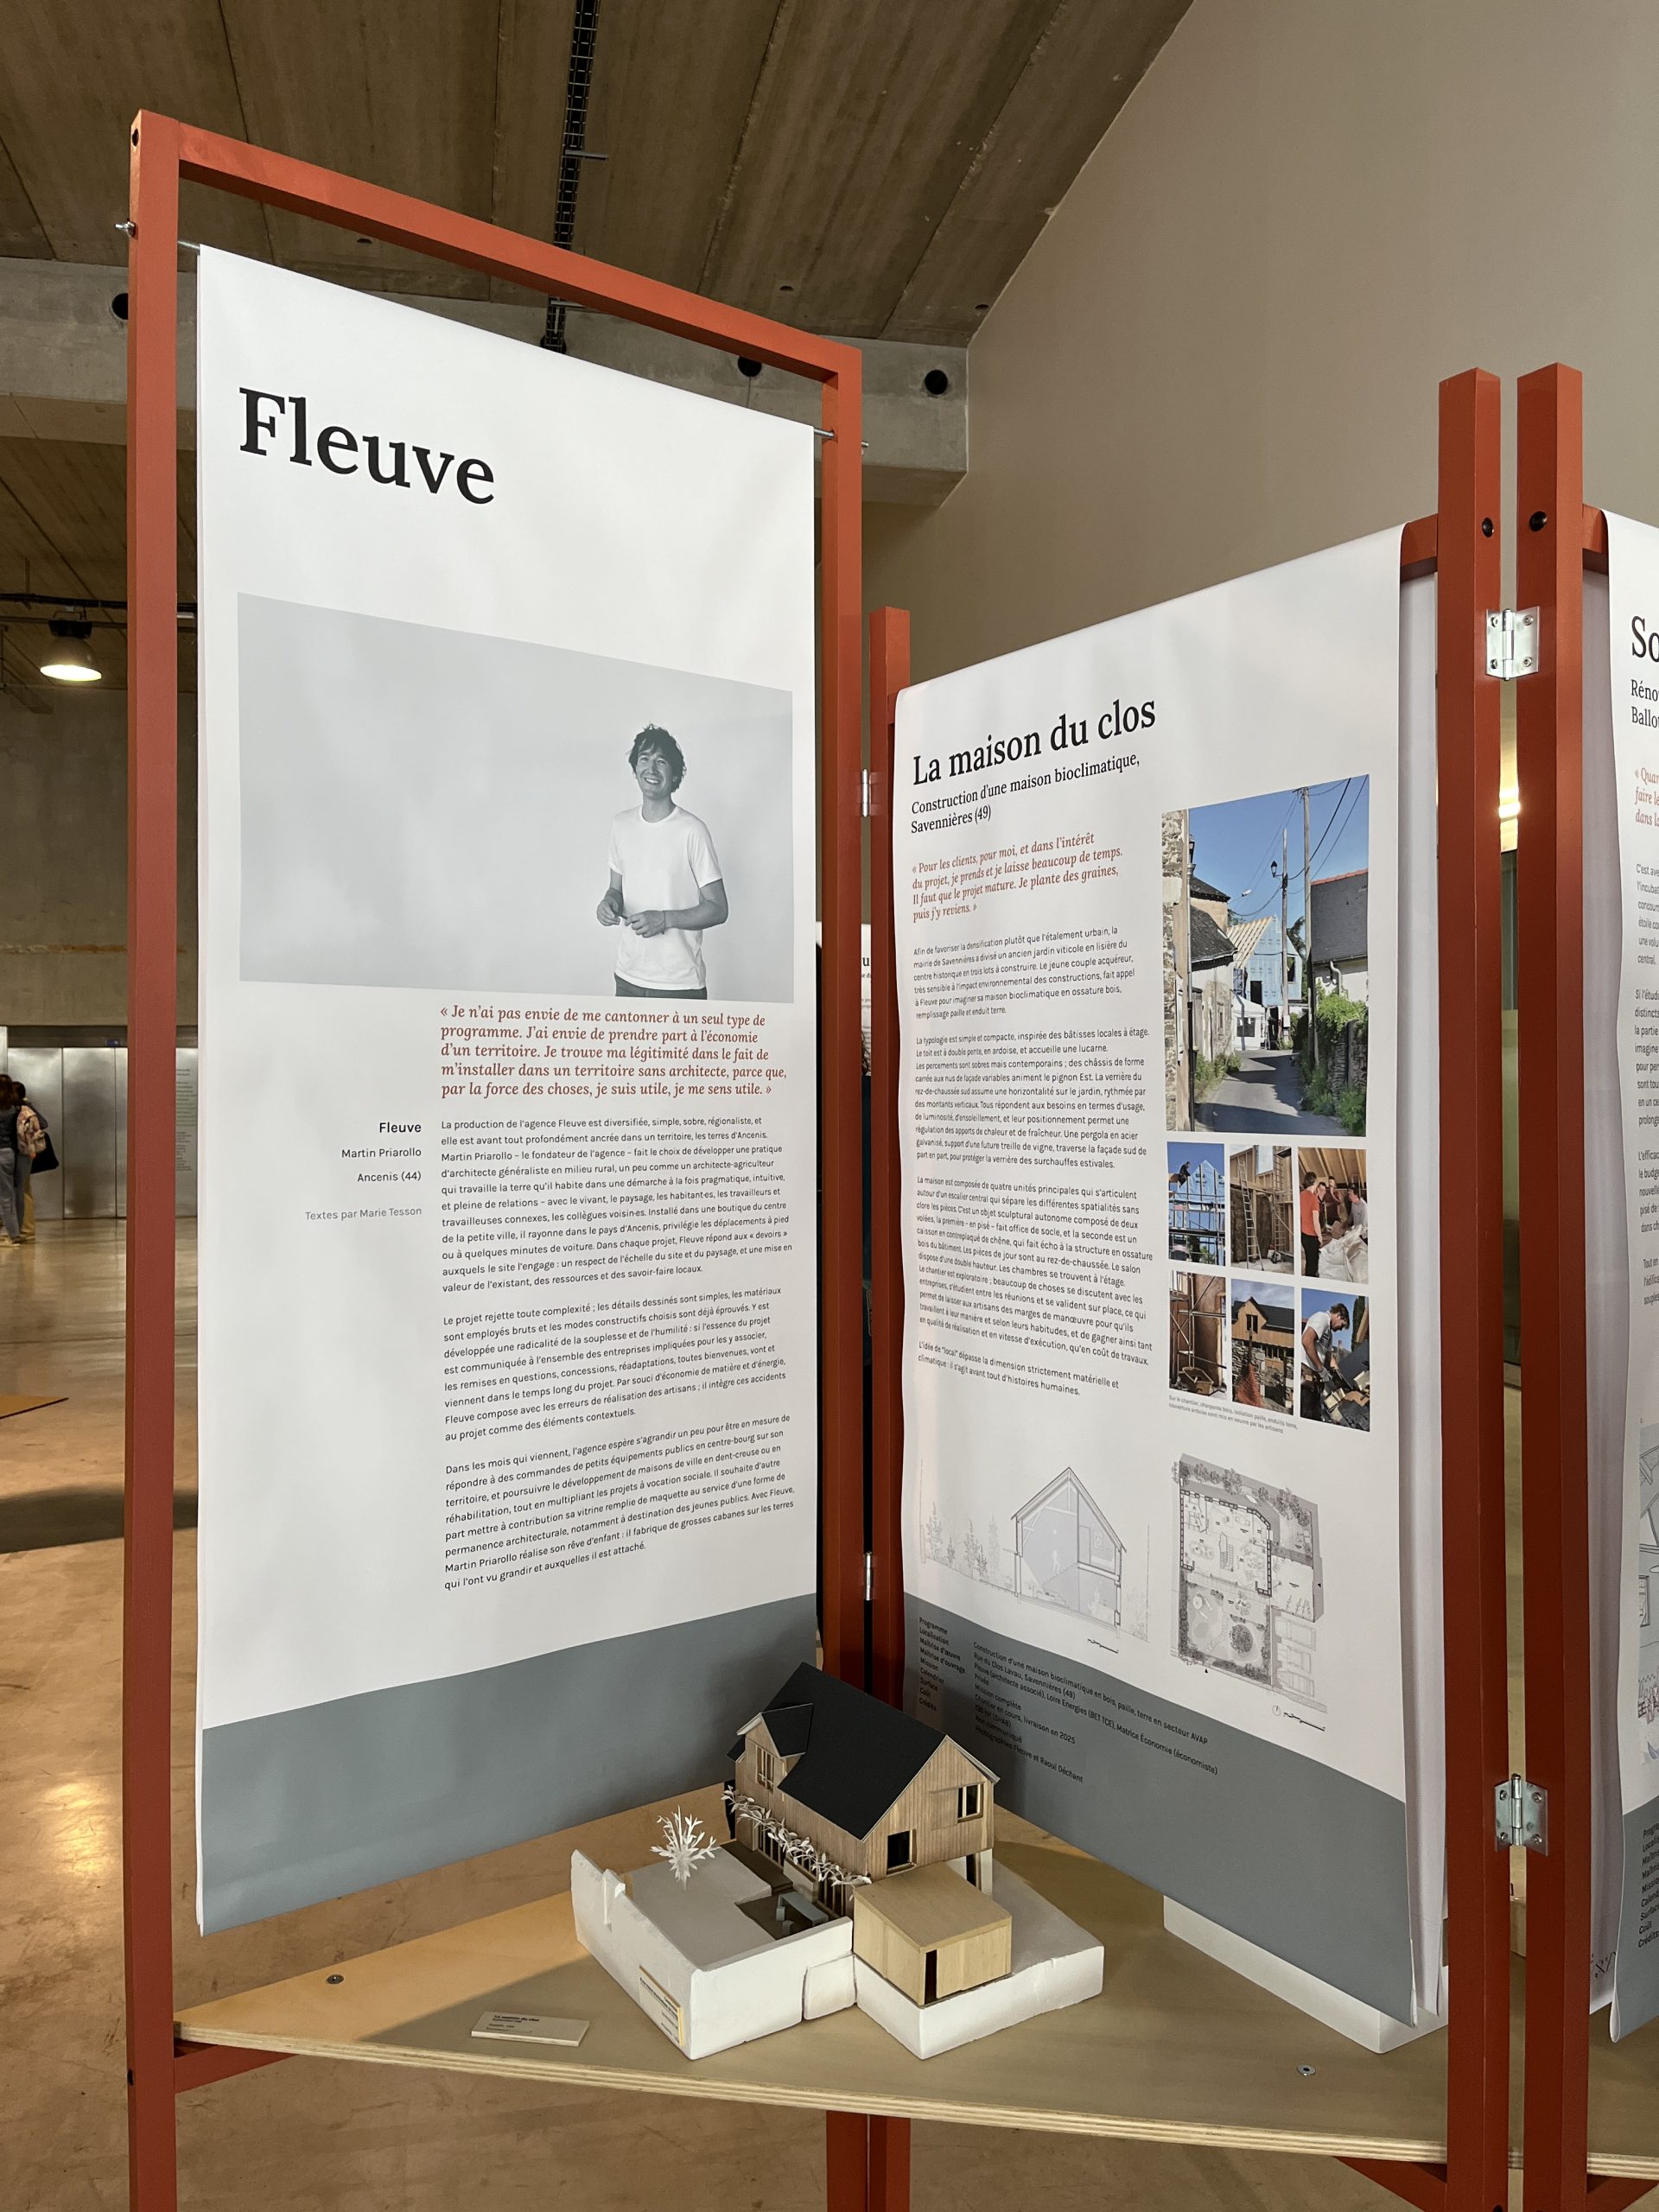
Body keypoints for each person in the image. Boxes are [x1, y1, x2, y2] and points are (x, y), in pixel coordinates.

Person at [597, 725, 728, 1000]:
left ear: (675, 775)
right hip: (627, 977)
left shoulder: (692, 830)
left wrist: (665, 919)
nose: (652, 768)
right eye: (644, 759)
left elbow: (718, 909)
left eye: (662, 761)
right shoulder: (621, 825)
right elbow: (615, 889)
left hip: (679, 984)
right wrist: (608, 904)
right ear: (635, 769)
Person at [14, 1079, 45, 1241]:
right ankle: (22, 1227)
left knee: (23, 1190)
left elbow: (43, 1123)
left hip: (24, 1153)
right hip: (20, 1153)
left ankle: (26, 1229)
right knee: (21, 1189)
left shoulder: (24, 1109)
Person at [0, 1076, 21, 1247]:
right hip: (9, 1153)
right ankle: (12, 1232)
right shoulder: (15, 1108)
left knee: (5, 1196)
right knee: (7, 1195)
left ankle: (13, 1235)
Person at [1298, 1171, 1322, 1276]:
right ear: (1315, 1183)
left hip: (1303, 1235)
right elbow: (1316, 1222)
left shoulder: (1301, 1195)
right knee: (1313, 1265)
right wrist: (1320, 1237)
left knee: (1309, 1262)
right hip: (1312, 1237)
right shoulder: (1313, 1199)